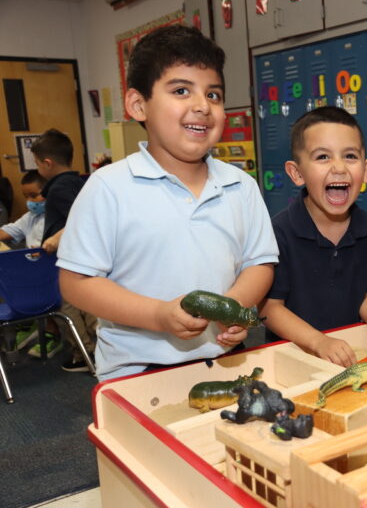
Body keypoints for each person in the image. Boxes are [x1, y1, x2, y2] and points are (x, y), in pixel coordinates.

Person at [57, 25, 278, 381]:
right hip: (137, 370)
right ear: (138, 104)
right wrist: (159, 315)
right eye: (181, 90)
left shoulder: (241, 185)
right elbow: (76, 283)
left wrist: (235, 306)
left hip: (226, 359)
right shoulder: (109, 187)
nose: (202, 106)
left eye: (214, 94)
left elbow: (260, 263)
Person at [259, 107, 367, 367]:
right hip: (293, 359)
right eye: (323, 157)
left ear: (366, 170)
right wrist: (319, 342)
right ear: (297, 173)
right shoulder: (279, 231)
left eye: (350, 156)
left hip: (347, 355)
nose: (339, 167)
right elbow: (269, 309)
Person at [31, 129, 97, 366]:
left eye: (37, 163)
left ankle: (84, 354)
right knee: (86, 307)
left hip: (68, 260)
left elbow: (83, 219)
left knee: (70, 308)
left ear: (47, 163)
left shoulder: (59, 189)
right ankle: (90, 352)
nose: (37, 168)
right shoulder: (80, 182)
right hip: (84, 259)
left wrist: (56, 237)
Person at [0, 170, 54, 353]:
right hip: (35, 277)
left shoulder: (56, 218)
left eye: (34, 195)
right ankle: (31, 324)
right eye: (26, 197)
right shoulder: (30, 217)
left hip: (50, 278)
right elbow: (8, 231)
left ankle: (47, 330)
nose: (30, 201)